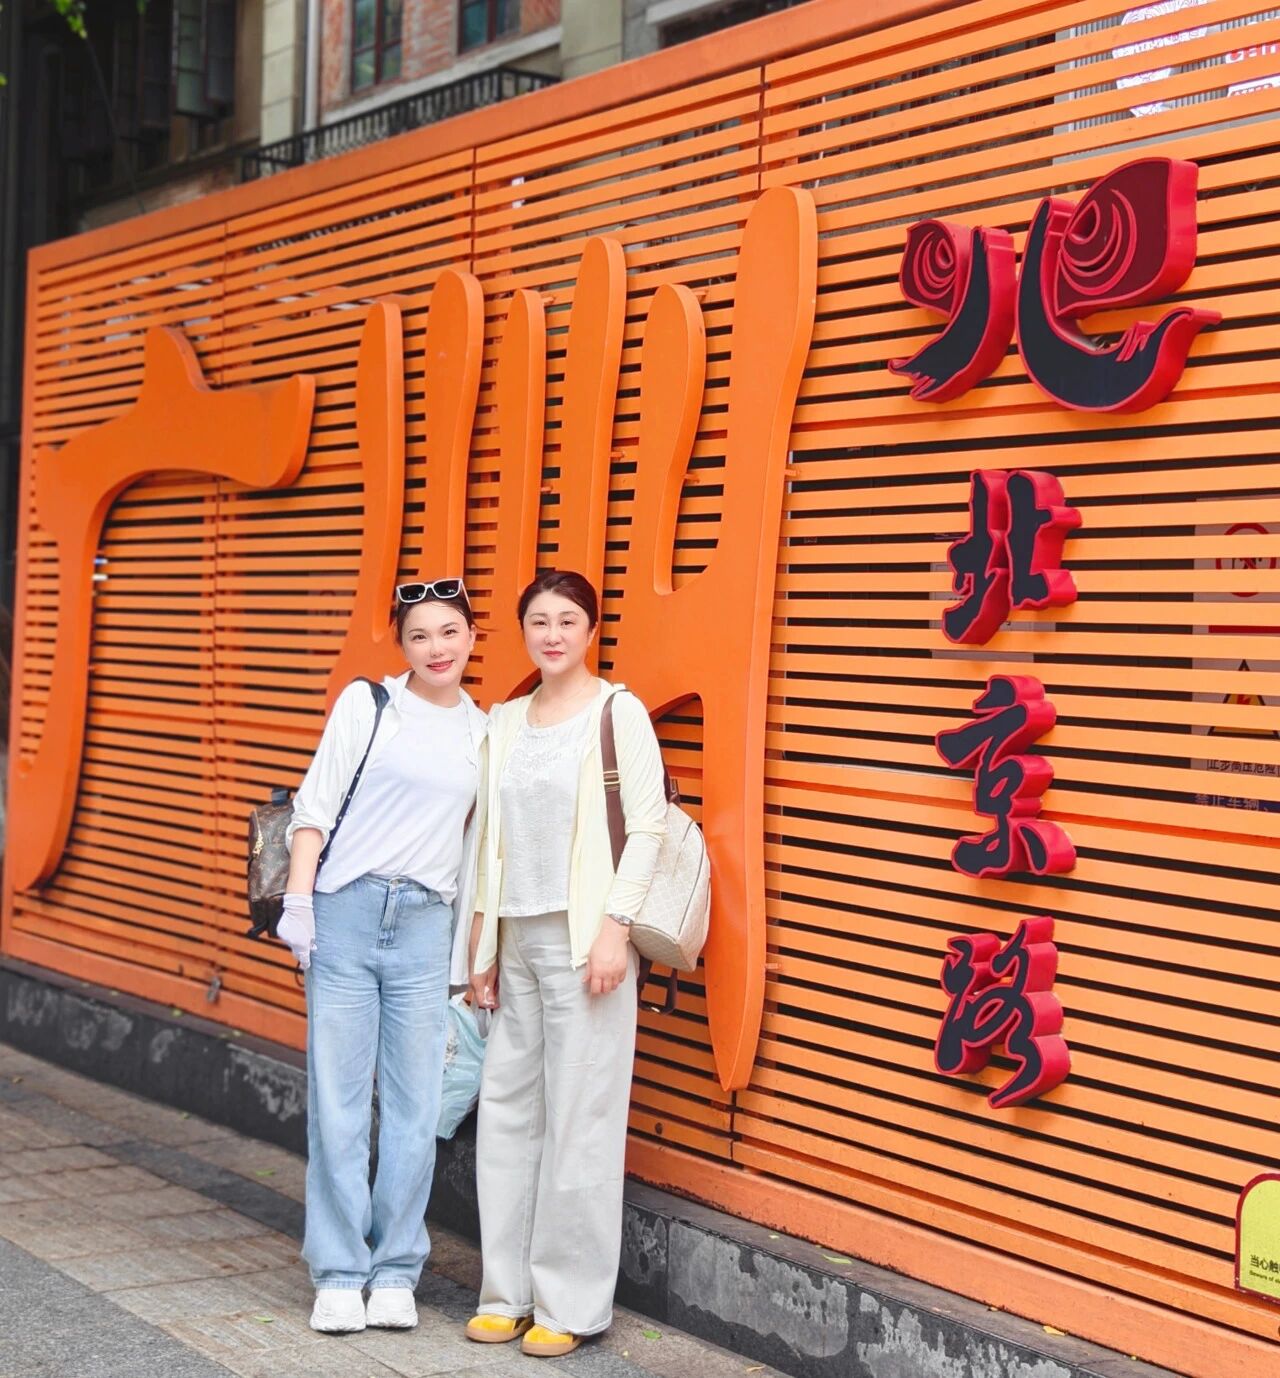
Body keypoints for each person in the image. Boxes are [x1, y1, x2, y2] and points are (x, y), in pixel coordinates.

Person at [463, 569, 667, 1358]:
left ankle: (568, 1305)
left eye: (567, 620)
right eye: (539, 621)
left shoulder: (618, 713)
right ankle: (504, 1294)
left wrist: (616, 929)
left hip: (586, 944)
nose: (552, 635)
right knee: (507, 1114)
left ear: (591, 631)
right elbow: (487, 840)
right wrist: (480, 943)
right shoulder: (506, 720)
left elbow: (647, 829)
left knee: (581, 1119)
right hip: (514, 938)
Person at [280, 579, 488, 1335]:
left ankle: (396, 1268)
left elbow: (478, 852)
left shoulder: (482, 732)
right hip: (346, 910)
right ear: (402, 645)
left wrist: (472, 957)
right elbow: (314, 808)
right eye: (420, 635)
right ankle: (339, 1271)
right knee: (338, 1100)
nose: (437, 648)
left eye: (450, 631)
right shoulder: (369, 706)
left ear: (472, 637)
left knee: (414, 1106)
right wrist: (300, 904)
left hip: (427, 923)